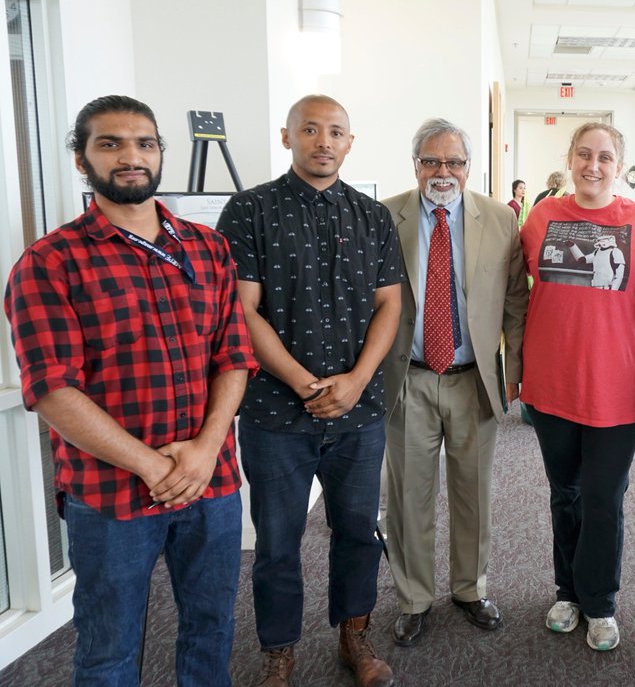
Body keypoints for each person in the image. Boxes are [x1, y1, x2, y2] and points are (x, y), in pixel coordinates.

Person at [4, 95, 256, 686]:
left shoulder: (206, 247)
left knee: (211, 627)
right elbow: (51, 389)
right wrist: (153, 466)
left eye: (144, 143)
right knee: (109, 647)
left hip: (211, 484)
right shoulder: (49, 263)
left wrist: (204, 450)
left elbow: (234, 356)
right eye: (109, 144)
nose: (131, 157)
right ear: (80, 159)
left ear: (161, 152)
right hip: (110, 495)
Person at [217, 95, 403, 687]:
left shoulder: (373, 216)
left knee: (357, 531)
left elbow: (390, 304)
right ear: (287, 136)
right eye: (311, 130)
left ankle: (355, 636)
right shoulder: (249, 211)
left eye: (337, 132)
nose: (324, 141)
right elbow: (243, 310)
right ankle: (279, 653)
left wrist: (354, 381)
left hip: (358, 412)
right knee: (277, 541)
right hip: (276, 413)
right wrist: (302, 381)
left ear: (351, 142)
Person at [381, 118, 527, 647]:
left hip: (472, 380)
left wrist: (515, 372)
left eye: (455, 162)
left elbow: (515, 299)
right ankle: (414, 598)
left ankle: (470, 588)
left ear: (470, 167)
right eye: (432, 161)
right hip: (409, 378)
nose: (444, 172)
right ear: (415, 164)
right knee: (408, 496)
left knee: (474, 493)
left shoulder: (498, 218)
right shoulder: (385, 216)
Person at [520, 121, 635, 651]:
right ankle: (568, 591)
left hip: (619, 382)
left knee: (605, 496)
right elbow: (518, 292)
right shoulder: (541, 218)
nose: (593, 165)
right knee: (566, 493)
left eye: (605, 156)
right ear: (570, 158)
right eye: (584, 155)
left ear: (620, 164)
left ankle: (599, 602)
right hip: (553, 380)